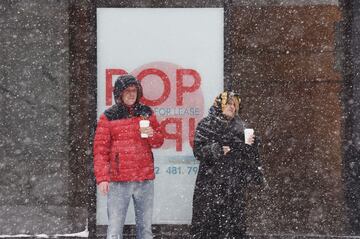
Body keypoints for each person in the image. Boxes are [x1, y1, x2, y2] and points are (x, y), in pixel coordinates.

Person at [93, 74, 164, 239]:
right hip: (119, 181)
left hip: (144, 180)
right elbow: (100, 150)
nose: (132, 94)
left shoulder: (146, 112)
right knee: (114, 230)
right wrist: (102, 178)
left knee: (145, 230)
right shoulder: (108, 116)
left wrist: (152, 134)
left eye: (135, 91)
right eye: (127, 91)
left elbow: (159, 141)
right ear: (119, 93)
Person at [190, 91, 264, 239]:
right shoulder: (207, 124)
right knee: (207, 226)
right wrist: (215, 149)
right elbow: (198, 151)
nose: (232, 107)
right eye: (229, 103)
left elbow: (249, 156)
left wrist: (253, 145)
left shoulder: (243, 127)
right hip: (210, 186)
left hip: (233, 186)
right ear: (219, 104)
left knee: (234, 226)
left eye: (235, 104)